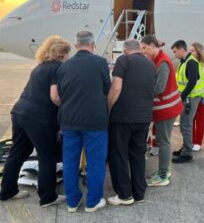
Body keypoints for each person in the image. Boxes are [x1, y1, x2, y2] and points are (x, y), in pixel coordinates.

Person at [0, 36, 70, 207]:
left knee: (18, 152)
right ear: (62, 54)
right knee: (47, 156)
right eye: (68, 53)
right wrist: (68, 104)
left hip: (19, 112)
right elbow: (55, 97)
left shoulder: (39, 67)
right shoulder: (58, 68)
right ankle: (47, 197)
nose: (69, 57)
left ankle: (7, 190)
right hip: (39, 117)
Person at [56, 31, 111, 213]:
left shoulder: (64, 66)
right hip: (95, 121)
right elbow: (106, 89)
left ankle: (72, 202)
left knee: (70, 162)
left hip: (69, 121)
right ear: (93, 44)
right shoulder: (100, 63)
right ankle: (93, 202)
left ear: (75, 44)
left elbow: (60, 94)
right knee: (95, 162)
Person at [107, 39, 156, 205]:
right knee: (138, 155)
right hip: (144, 118)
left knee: (119, 155)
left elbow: (115, 88)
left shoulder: (123, 60)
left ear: (125, 50)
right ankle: (139, 193)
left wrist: (108, 108)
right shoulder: (150, 64)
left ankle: (124, 195)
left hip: (123, 118)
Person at [141, 35, 182, 185]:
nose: (143, 51)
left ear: (152, 45)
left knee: (163, 141)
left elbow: (160, 88)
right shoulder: (156, 59)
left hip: (167, 109)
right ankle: (163, 170)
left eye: (145, 48)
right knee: (161, 141)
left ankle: (163, 175)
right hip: (164, 108)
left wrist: (139, 92)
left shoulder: (163, 62)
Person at [171, 40, 204, 163]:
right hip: (187, 97)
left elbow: (192, 81)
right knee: (184, 124)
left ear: (181, 49)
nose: (174, 54)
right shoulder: (184, 62)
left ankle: (187, 153)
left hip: (190, 97)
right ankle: (186, 147)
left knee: (186, 125)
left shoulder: (190, 62)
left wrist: (182, 96)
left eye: (175, 51)